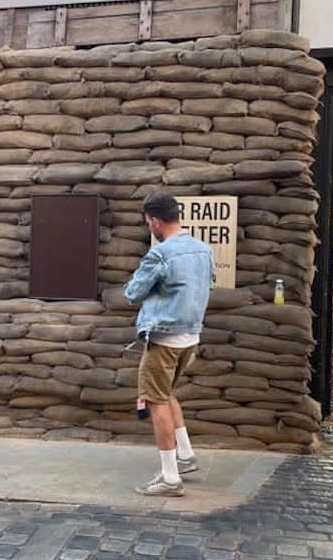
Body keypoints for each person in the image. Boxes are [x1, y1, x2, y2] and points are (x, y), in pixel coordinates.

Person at [124, 194, 215, 496]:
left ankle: (169, 477)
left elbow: (133, 292)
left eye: (148, 220)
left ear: (155, 220)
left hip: (163, 337)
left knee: (155, 401)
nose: (148, 225)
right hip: (191, 336)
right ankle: (185, 456)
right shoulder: (204, 250)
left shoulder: (160, 254)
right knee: (167, 393)